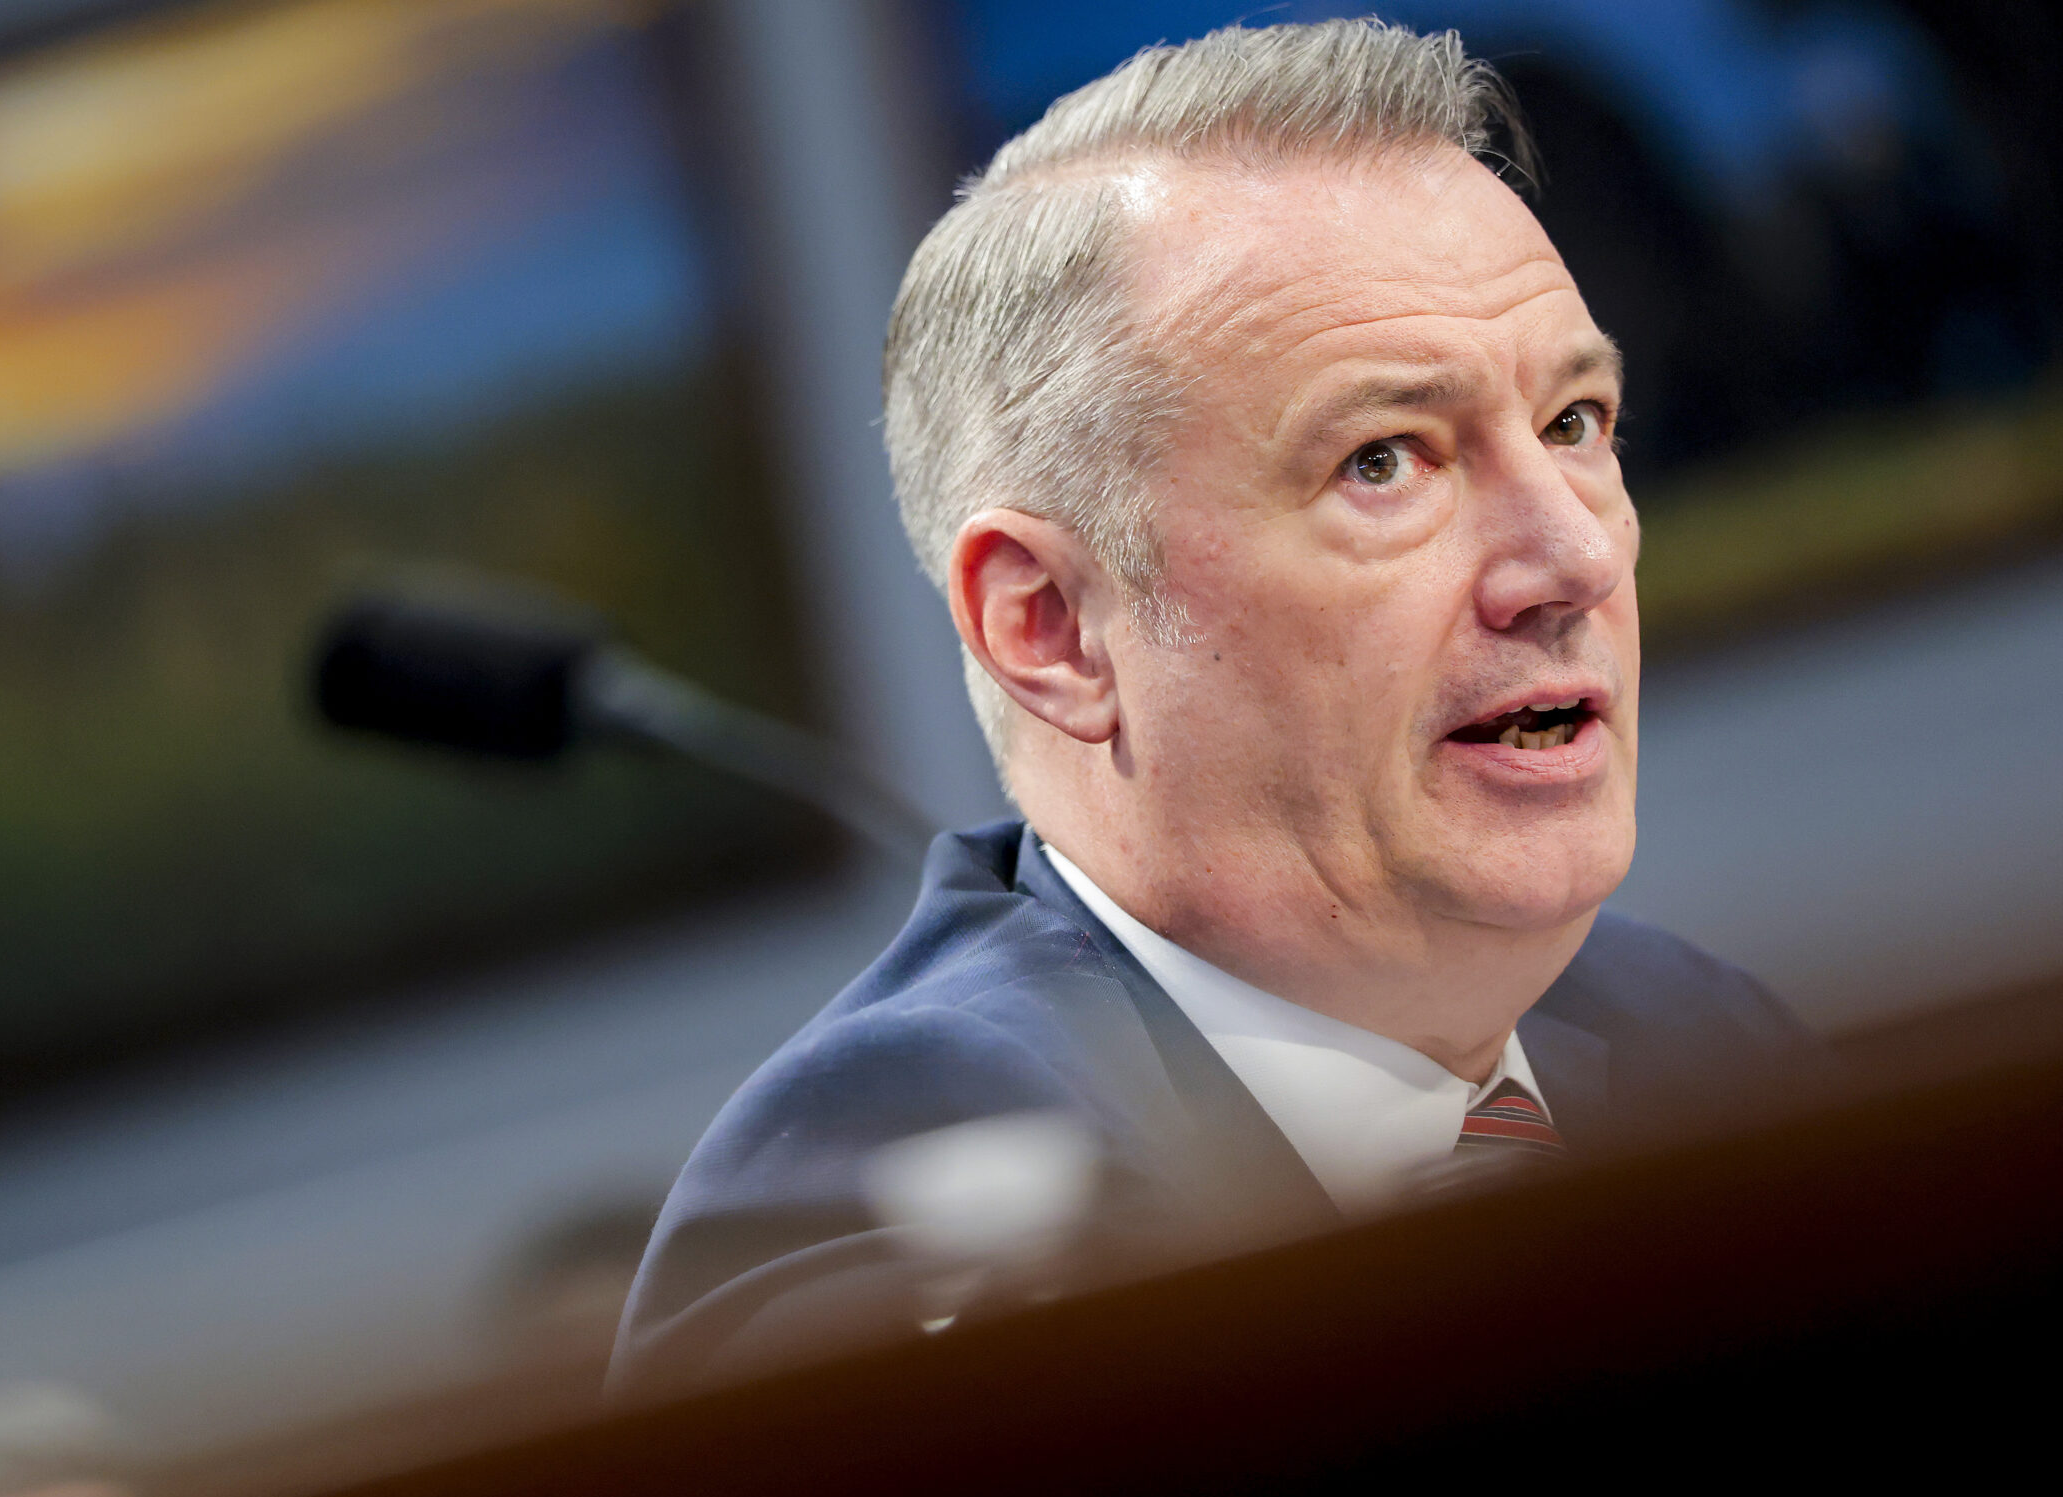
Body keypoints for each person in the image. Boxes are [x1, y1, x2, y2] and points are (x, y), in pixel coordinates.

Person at [613, 20, 1820, 1395]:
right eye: (1385, 459)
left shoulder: (1689, 1032)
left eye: (1573, 425)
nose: (1576, 557)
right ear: (1051, 628)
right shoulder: (899, 1199)